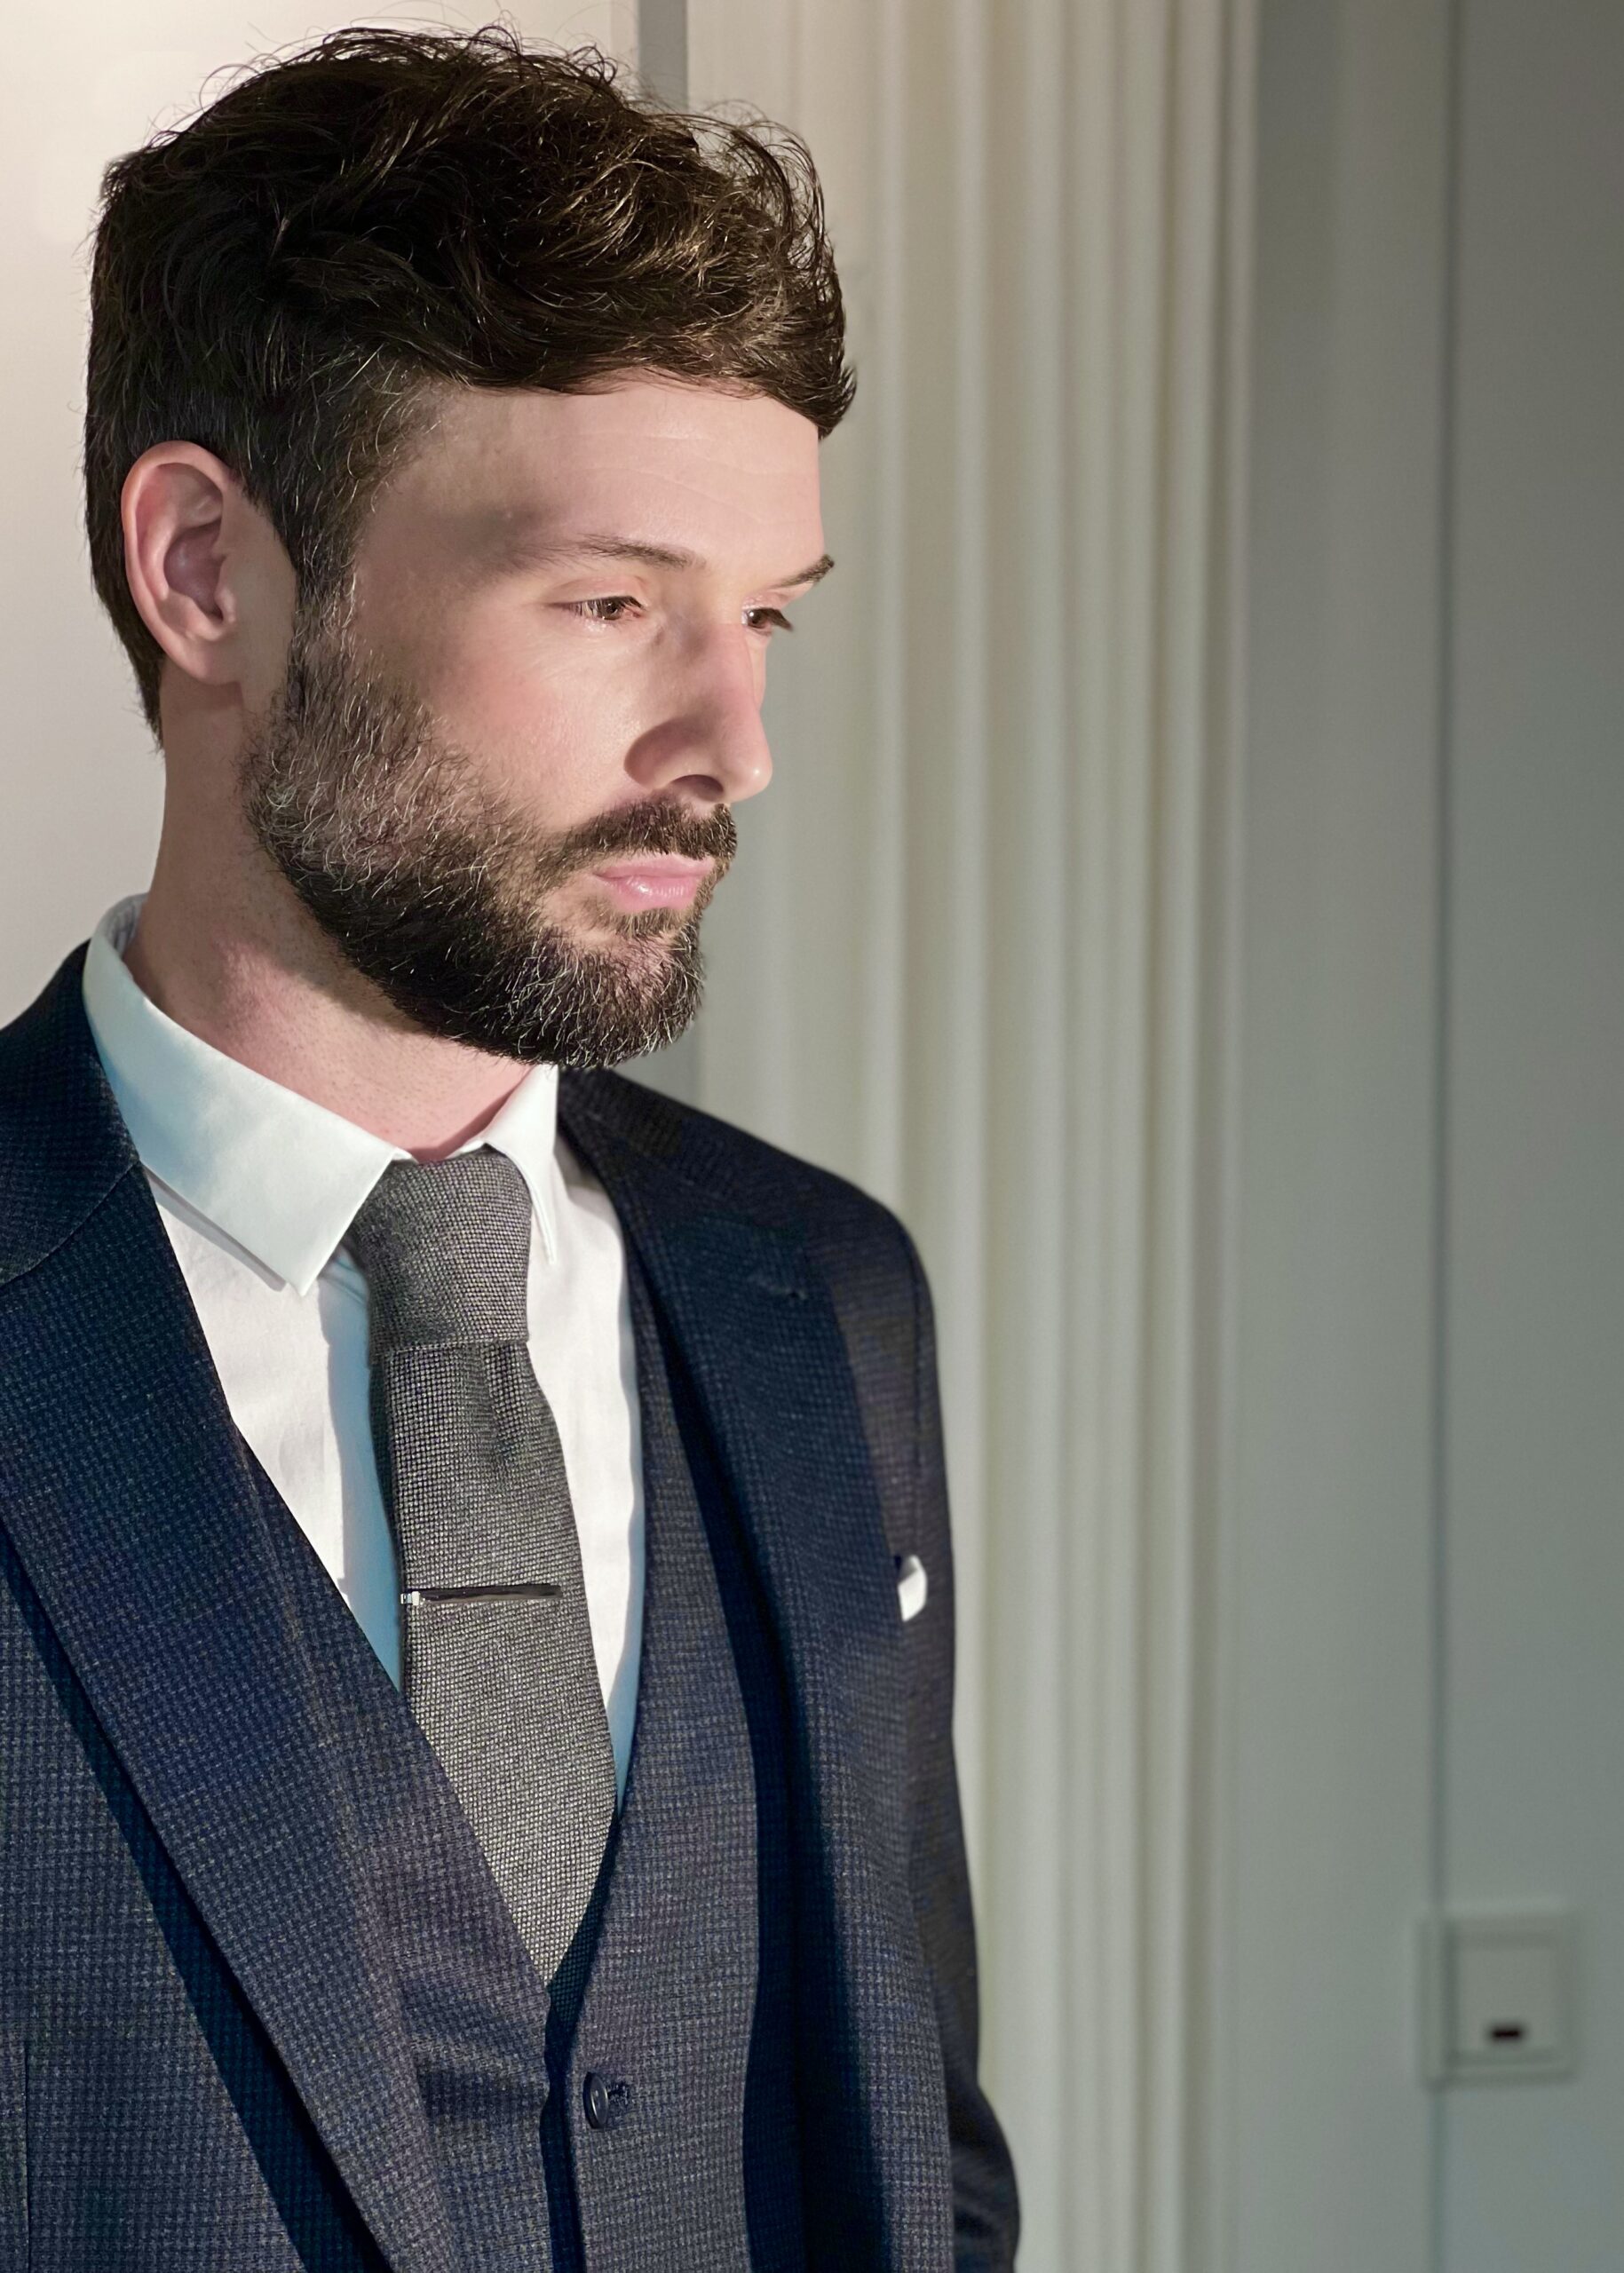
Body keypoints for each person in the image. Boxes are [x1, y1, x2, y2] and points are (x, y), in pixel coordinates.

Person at [0, 28, 1018, 2271]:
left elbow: (914, 2136)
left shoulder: (823, 1292)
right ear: (207, 571)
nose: (732, 742)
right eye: (611, 601)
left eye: (764, 615)